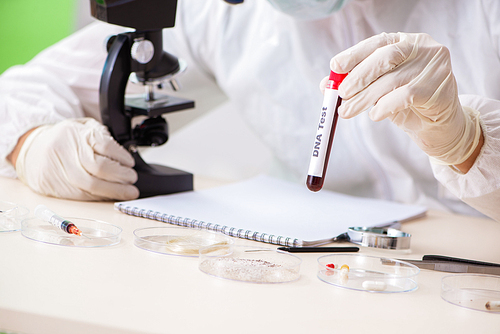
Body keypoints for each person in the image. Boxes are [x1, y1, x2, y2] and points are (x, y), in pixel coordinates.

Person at [1, 0, 499, 222]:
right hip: (311, 278)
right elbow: (26, 88)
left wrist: (467, 142)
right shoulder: (227, 11)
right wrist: (32, 143)